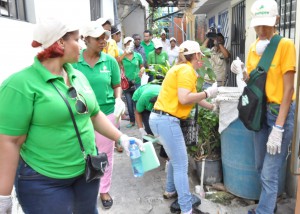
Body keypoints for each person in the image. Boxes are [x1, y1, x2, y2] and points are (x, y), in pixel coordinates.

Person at [0, 17, 143, 214]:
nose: (81, 44)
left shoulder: (76, 75)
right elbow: (10, 141)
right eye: (77, 39)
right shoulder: (20, 85)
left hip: (86, 173)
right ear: (60, 43)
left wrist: (123, 138)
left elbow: (93, 114)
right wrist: (3, 195)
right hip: (44, 181)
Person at [231, 0, 296, 213]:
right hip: (259, 112)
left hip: (279, 113)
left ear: (276, 20)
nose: (261, 30)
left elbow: (288, 89)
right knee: (260, 166)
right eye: (258, 26)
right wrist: (241, 71)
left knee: (270, 171)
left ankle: (264, 210)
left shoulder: (285, 45)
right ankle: (269, 206)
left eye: (266, 25)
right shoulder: (253, 48)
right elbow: (253, 80)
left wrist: (279, 128)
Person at [149, 40, 218, 214]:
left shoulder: (179, 68)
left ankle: (170, 190)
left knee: (174, 158)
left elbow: (192, 96)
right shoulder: (187, 70)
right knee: (181, 164)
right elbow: (185, 98)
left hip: (158, 118)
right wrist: (209, 92)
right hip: (167, 120)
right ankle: (187, 208)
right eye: (200, 54)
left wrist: (212, 106)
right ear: (196, 55)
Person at [72, 21, 126, 209]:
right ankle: (82, 189)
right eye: (98, 38)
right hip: (80, 117)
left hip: (106, 113)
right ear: (85, 39)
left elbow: (116, 85)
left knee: (105, 155)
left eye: (104, 37)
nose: (103, 41)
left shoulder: (109, 61)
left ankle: (103, 190)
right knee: (82, 154)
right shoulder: (73, 61)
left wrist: (119, 99)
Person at [132, 83, 168, 159]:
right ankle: (145, 153)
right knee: (148, 128)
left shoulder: (167, 98)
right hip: (139, 96)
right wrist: (141, 129)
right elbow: (137, 113)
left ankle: (164, 153)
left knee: (164, 127)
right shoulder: (144, 99)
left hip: (154, 91)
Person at [121, 37, 145, 128]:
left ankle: (140, 120)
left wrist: (142, 70)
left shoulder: (137, 55)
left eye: (130, 43)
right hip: (126, 83)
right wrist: (125, 53)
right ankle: (132, 121)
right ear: (124, 45)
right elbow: (117, 62)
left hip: (137, 81)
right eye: (127, 44)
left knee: (137, 102)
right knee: (129, 103)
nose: (129, 45)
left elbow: (142, 66)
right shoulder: (122, 56)